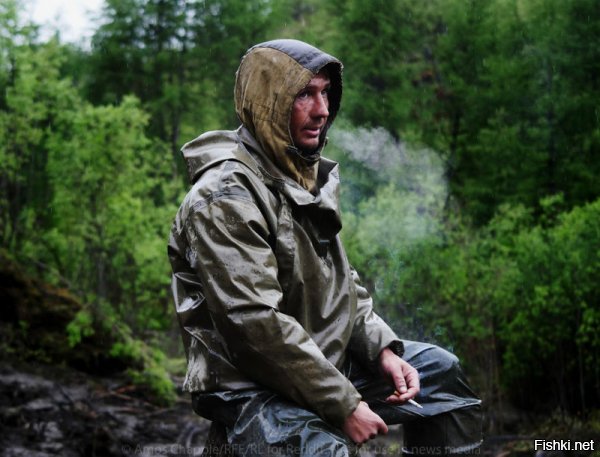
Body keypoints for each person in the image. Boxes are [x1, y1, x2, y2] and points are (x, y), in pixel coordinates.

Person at [168, 39, 482, 456]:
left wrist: (382, 348)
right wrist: (345, 404)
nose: (322, 110)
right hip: (248, 384)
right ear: (268, 102)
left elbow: (340, 281)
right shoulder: (225, 196)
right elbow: (254, 324)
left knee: (441, 376)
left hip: (319, 358)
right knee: (326, 451)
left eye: (325, 93)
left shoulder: (300, 172)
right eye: (304, 94)